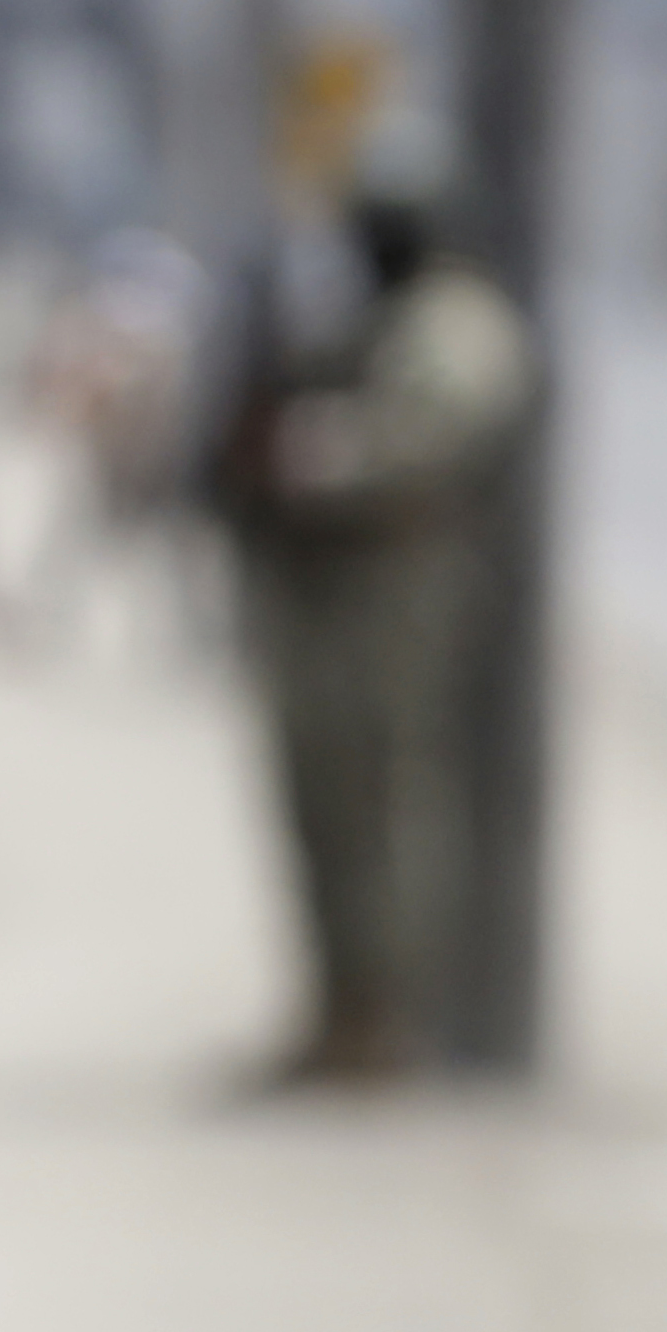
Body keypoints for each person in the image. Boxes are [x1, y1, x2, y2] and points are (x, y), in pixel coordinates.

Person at [223, 164, 532, 1083]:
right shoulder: (388, 315)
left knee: (390, 814)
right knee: (325, 809)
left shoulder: (459, 320)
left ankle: (388, 1024)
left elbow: (424, 440)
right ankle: (341, 1017)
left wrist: (312, 455)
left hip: (400, 597)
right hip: (335, 598)